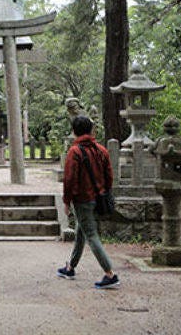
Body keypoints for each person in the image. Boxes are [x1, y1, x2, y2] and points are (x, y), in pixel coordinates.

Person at [57, 115, 119, 289]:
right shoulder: (101, 150)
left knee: (90, 234)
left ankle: (110, 274)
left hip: (82, 199)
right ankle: (70, 267)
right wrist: (103, 191)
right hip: (98, 198)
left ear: (74, 131)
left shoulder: (74, 152)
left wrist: (66, 201)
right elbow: (109, 176)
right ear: (91, 130)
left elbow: (69, 179)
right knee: (81, 231)